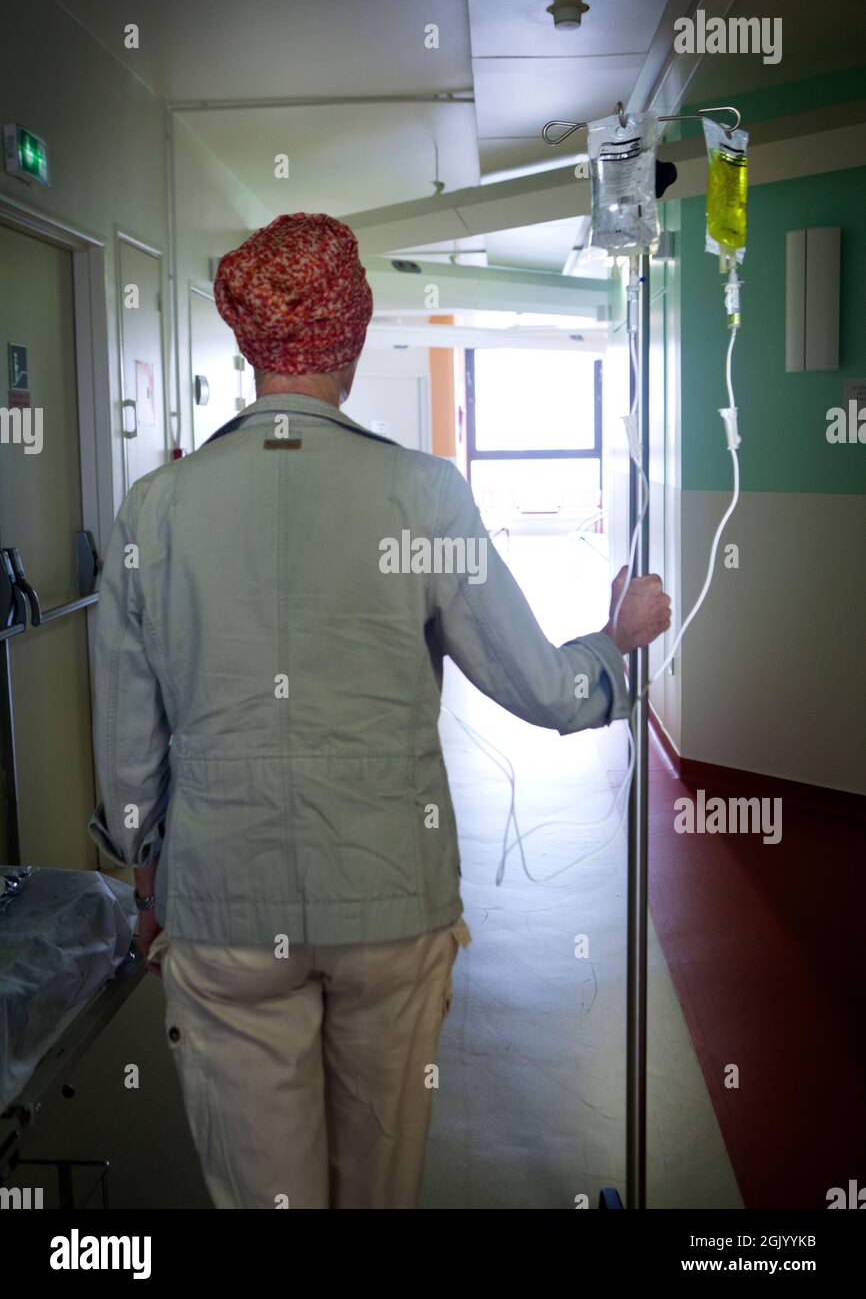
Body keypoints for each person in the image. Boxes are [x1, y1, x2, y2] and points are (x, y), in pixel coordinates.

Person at [88, 212, 671, 1210]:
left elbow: (126, 746)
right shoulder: (423, 493)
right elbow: (533, 682)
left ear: (247, 341)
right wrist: (613, 648)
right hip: (388, 907)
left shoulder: (154, 508)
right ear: (350, 341)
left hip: (223, 909)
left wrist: (148, 875)